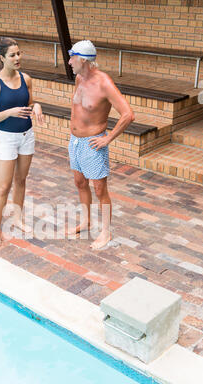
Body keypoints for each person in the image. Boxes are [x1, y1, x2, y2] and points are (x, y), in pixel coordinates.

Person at [68, 40, 135, 249]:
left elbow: (128, 114)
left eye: (72, 58)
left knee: (100, 190)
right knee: (79, 182)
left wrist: (108, 138)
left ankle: (106, 232)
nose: (69, 62)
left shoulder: (104, 82)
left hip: (93, 144)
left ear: (83, 60)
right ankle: (87, 221)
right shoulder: (79, 78)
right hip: (75, 142)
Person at [0, 37, 44, 247]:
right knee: (3, 187)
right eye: (12, 55)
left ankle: (18, 218)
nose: (18, 58)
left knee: (21, 180)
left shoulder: (26, 79)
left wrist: (36, 106)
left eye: (19, 53)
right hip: (6, 140)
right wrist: (9, 112)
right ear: (2, 58)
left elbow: (29, 103)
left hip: (27, 136)